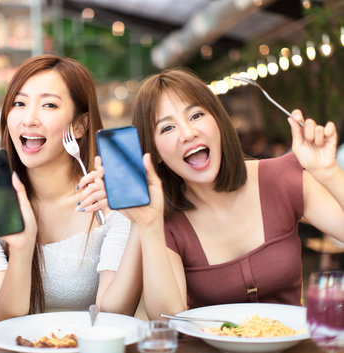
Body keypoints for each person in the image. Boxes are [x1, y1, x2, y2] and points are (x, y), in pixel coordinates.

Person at [108, 68, 344, 319]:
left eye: (196, 115)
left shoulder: (282, 177)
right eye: (167, 128)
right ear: (154, 153)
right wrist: (149, 225)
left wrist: (329, 172)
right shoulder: (164, 221)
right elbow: (166, 320)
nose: (188, 134)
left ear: (219, 120)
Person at [0, 54, 141, 322]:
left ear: (80, 125)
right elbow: (5, 317)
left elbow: (115, 315)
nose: (29, 119)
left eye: (48, 105)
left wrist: (139, 222)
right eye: (19, 103)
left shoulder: (107, 201)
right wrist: (23, 245)